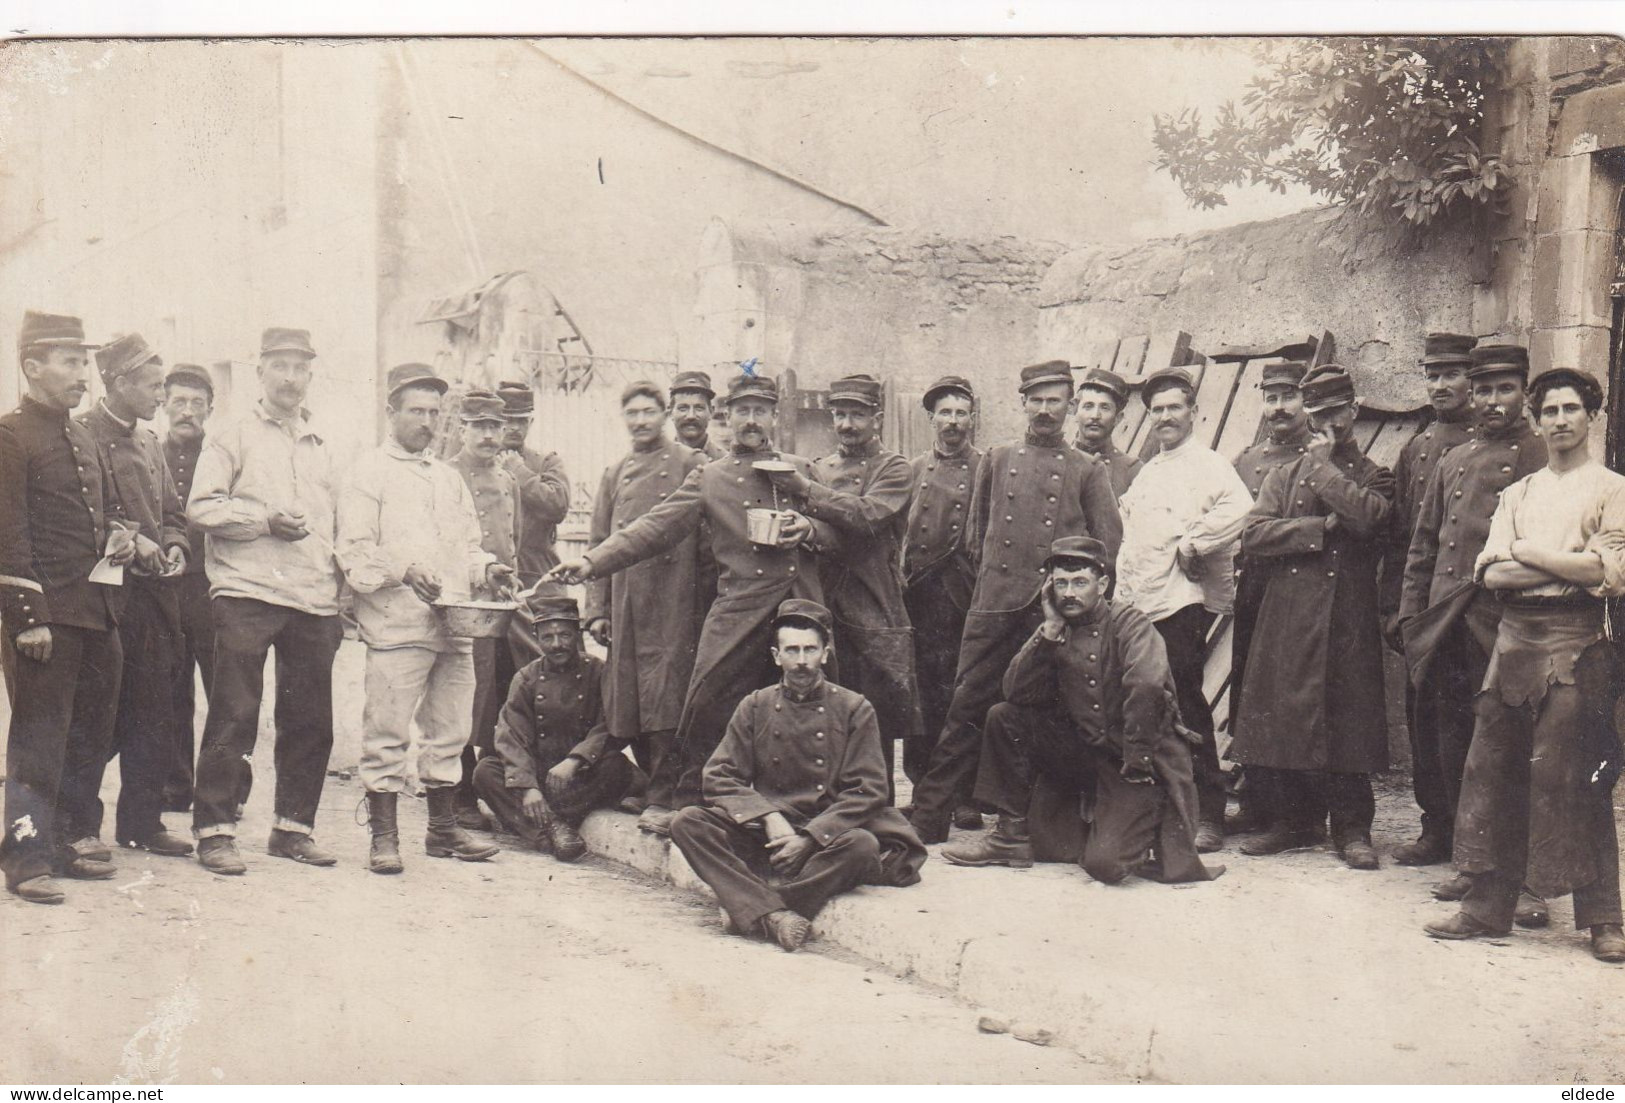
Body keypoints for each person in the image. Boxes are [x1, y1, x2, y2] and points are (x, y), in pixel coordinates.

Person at [548, 373, 839, 835]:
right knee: (703, 701)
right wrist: (592, 562)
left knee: (813, 703)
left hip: (797, 607)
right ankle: (683, 800)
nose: (750, 420)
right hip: (738, 607)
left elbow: (839, 528)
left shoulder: (802, 469)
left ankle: (812, 806)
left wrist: (810, 531)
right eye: (741, 411)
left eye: (759, 411)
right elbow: (653, 526)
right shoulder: (711, 476)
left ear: (773, 416)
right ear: (727, 417)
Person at [1425, 367, 1625, 965]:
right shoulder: (1520, 493)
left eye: (1572, 409)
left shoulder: (1613, 488)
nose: (1560, 420)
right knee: (1492, 769)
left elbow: (1609, 575)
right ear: (1537, 419)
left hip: (1578, 643)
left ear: (1592, 415)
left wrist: (1529, 553)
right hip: (1513, 642)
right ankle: (1487, 906)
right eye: (1550, 411)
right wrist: (1567, 561)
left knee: (1574, 774)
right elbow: (1490, 574)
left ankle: (1604, 918)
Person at [905, 360, 1123, 844]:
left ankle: (1027, 823)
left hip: (1051, 612)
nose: (1045, 410)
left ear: (1068, 407)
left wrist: (1068, 603)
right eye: (1037, 401)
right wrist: (994, 587)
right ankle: (929, 816)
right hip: (993, 605)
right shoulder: (998, 458)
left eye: (1055, 401)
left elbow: (1107, 544)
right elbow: (975, 537)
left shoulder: (1087, 470)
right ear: (1023, 403)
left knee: (1041, 715)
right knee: (964, 711)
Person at [940, 537, 1224, 884]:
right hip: (1085, 753)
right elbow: (1014, 691)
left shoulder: (1130, 623)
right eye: (1061, 583)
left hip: (1135, 762)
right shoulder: (1057, 627)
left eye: (1080, 582)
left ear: (1102, 584)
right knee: (1004, 716)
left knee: (1105, 866)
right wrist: (1051, 630)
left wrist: (1137, 760)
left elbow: (1148, 686)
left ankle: (1146, 825)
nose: (1069, 593)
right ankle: (1009, 836)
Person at [670, 599, 927, 952]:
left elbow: (868, 790)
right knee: (688, 822)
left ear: (825, 652)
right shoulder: (755, 705)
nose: (802, 660)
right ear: (777, 656)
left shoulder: (854, 708)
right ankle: (774, 916)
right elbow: (719, 775)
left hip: (825, 836)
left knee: (863, 846)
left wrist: (809, 838)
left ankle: (755, 908)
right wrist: (769, 816)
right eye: (792, 650)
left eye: (810, 649)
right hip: (767, 834)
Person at [337, 364, 511, 874]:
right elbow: (353, 551)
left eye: (435, 412)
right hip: (397, 625)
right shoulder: (368, 472)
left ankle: (441, 829)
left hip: (454, 623)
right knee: (387, 729)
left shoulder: (448, 478)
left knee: (450, 728)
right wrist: (403, 570)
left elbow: (468, 547)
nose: (427, 422)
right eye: (416, 411)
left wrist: (489, 569)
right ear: (391, 413)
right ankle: (384, 836)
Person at [1399, 344, 1549, 918]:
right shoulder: (1451, 457)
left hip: (1501, 620)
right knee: (1450, 740)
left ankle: (1523, 874)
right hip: (1444, 621)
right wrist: (1414, 613)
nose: (1491, 401)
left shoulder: (1538, 454)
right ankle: (1468, 859)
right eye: (1483, 390)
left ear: (1524, 394)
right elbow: (1424, 544)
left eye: (1504, 389)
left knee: (1509, 748)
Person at [187, 326, 343, 875]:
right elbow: (202, 508)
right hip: (247, 590)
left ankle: (293, 829)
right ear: (261, 371)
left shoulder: (325, 443)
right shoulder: (232, 433)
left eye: (301, 368)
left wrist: (341, 590)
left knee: (311, 719)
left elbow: (338, 526)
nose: (291, 378)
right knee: (235, 711)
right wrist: (263, 521)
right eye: (280, 366)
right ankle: (215, 830)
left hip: (314, 598)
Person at [1229, 365, 1394, 871]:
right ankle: (1292, 822)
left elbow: (1368, 518)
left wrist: (1323, 470)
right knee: (1287, 716)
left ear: (1354, 411)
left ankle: (1353, 828)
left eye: (1336, 414)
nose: (1328, 424)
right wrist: (1314, 529)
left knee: (1348, 718)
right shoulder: (1280, 475)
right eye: (1319, 414)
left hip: (1346, 614)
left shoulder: (1375, 474)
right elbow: (1253, 535)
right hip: (1289, 613)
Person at [0, 311, 133, 904]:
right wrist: (28, 620)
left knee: (91, 732)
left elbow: (102, 513)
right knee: (38, 738)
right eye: (71, 361)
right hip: (46, 616)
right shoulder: (10, 435)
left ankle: (76, 837)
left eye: (84, 361)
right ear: (32, 366)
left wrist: (121, 535)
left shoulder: (83, 435)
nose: (84, 373)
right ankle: (26, 856)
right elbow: (9, 532)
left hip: (96, 610)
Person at [1115, 366, 1252, 851]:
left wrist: (1194, 543)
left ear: (1192, 412)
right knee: (1143, 702)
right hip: (1140, 603)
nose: (1166, 417)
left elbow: (1240, 507)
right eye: (1158, 410)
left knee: (1187, 703)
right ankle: (1158, 807)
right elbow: (1131, 539)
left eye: (1175, 408)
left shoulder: (1209, 464)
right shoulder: (1149, 470)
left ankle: (1209, 813)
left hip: (1181, 604)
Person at [763, 373, 922, 793]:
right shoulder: (821, 467)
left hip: (872, 600)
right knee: (823, 706)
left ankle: (876, 805)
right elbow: (815, 523)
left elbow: (867, 516)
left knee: (873, 712)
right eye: (840, 415)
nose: (847, 424)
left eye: (857, 415)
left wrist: (806, 492)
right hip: (822, 600)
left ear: (878, 418)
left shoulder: (895, 468)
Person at [78, 333, 193, 857]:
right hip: (103, 598)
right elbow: (82, 516)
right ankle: (75, 822)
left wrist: (173, 544)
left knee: (153, 710)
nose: (161, 397)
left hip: (153, 599)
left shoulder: (149, 441)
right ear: (119, 383)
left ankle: (141, 824)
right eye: (152, 385)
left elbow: (172, 512)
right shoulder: (79, 435)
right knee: (98, 713)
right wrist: (133, 538)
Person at [583, 380, 707, 835]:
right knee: (629, 696)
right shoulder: (615, 472)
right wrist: (597, 609)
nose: (640, 422)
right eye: (631, 414)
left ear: (666, 415)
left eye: (648, 413)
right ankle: (646, 782)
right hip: (627, 598)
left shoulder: (693, 463)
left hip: (676, 597)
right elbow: (598, 543)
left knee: (668, 696)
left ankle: (665, 793)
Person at [1380, 333, 1480, 864]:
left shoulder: (1488, 443)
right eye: (1433, 376)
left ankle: (1473, 835)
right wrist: (1395, 609)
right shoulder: (1417, 447)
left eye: (1451, 375)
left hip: (1474, 610)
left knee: (1470, 724)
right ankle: (1435, 825)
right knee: (1424, 721)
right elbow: (1402, 538)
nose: (1440, 386)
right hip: (1423, 610)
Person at [473, 597, 635, 860]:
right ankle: (554, 829)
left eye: (564, 635)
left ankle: (544, 827)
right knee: (485, 772)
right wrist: (528, 787)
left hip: (579, 775)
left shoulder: (598, 671)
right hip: (537, 774)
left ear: (576, 634)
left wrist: (575, 759)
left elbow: (610, 724)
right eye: (548, 637)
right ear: (536, 638)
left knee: (616, 766)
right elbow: (510, 735)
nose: (557, 644)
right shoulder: (526, 678)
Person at [1226, 360, 1313, 836]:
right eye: (1272, 398)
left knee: (1292, 697)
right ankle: (1256, 800)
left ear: (1305, 403)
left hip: (1301, 591)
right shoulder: (1246, 459)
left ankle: (1295, 812)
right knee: (1250, 695)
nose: (1278, 408)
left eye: (1288, 397)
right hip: (1255, 587)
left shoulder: (1318, 456)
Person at [901, 375, 983, 796]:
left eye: (961, 413)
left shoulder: (987, 467)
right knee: (923, 694)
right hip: (919, 595)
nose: (953, 421)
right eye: (945, 413)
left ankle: (963, 794)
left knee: (961, 695)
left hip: (964, 596)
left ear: (972, 419)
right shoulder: (914, 469)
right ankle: (922, 787)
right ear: (931, 419)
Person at [449, 389, 524, 831]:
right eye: (479, 426)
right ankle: (458, 794)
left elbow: (516, 540)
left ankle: (490, 783)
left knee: (501, 691)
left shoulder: (510, 479)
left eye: (495, 426)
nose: (489, 435)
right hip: (463, 598)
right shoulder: (445, 474)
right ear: (463, 428)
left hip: (502, 600)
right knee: (465, 695)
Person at [159, 363, 217, 816]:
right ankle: (176, 785)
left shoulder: (220, 457)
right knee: (172, 687)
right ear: (164, 404)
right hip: (165, 589)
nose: (188, 411)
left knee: (225, 692)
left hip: (213, 589)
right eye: (179, 401)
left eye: (197, 403)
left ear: (210, 410)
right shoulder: (149, 453)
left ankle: (226, 790)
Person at [495, 380, 572, 589]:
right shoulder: (482, 462)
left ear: (530, 422)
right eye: (507, 420)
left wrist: (519, 472)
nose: (514, 428)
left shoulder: (547, 462)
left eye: (521, 421)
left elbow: (559, 506)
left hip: (537, 574)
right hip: (492, 576)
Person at [1071, 367, 1143, 499]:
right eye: (1088, 406)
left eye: (1105, 408)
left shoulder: (1132, 470)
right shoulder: (1056, 459)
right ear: (1075, 410)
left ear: (1118, 418)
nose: (1095, 415)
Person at [669, 370, 727, 459]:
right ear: (670, 412)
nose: (691, 416)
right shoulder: (658, 461)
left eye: (699, 408)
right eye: (683, 408)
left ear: (711, 412)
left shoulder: (724, 461)